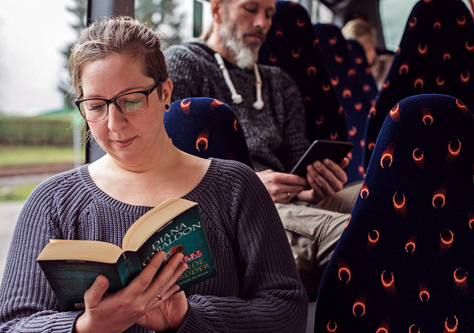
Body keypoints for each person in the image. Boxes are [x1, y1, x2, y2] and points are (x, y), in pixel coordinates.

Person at [0, 17, 308, 332]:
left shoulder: (236, 188)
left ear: (165, 93)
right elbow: (12, 324)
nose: (114, 124)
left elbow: (288, 311)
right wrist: (86, 327)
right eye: (95, 106)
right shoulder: (51, 201)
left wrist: (188, 317)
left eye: (131, 101)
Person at [164, 0, 360, 297]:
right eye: (251, 9)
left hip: (290, 200)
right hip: (233, 212)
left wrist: (313, 186)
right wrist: (250, 185)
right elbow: (170, 166)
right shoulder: (184, 63)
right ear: (217, 10)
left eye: (269, 14)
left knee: (387, 195)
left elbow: (297, 162)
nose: (262, 23)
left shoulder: (279, 83)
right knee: (365, 231)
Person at [341, 18, 394, 90]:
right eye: (352, 52)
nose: (358, 57)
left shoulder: (391, 65)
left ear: (374, 45)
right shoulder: (343, 76)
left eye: (364, 51)